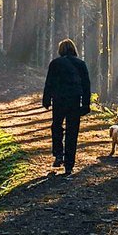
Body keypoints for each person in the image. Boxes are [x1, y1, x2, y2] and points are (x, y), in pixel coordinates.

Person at [42, 38, 91, 176]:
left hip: (59, 100)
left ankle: (58, 154)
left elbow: (49, 83)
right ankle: (69, 164)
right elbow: (86, 85)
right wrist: (86, 104)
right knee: (72, 131)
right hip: (74, 100)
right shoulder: (81, 64)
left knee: (56, 126)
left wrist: (46, 100)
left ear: (61, 50)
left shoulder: (55, 63)